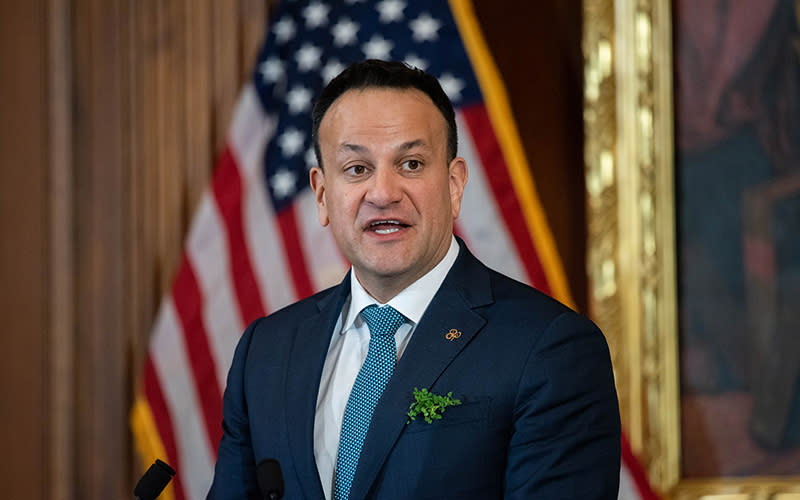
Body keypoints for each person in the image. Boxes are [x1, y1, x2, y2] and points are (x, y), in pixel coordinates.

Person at [207, 60, 620, 500]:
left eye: (410, 163)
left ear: (455, 184)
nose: (383, 193)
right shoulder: (266, 352)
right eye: (357, 169)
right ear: (323, 195)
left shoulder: (551, 348)